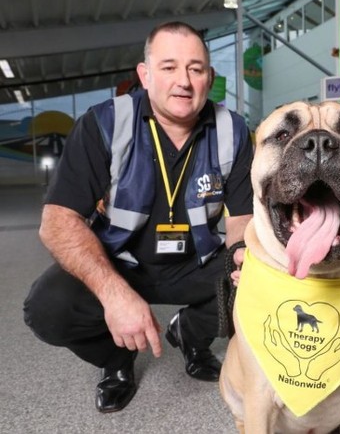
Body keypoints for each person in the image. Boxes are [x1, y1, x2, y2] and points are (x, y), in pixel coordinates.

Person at [23, 21, 253, 413]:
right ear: (145, 75)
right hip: (120, 264)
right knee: (47, 308)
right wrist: (114, 294)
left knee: (262, 280)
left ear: (209, 78)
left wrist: (244, 256)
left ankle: (191, 336)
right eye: (168, 67)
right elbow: (57, 221)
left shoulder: (232, 129)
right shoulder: (105, 124)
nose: (183, 80)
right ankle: (116, 361)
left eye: (195, 69)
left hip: (195, 263)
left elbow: (241, 218)